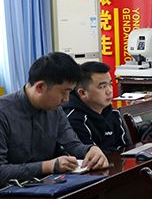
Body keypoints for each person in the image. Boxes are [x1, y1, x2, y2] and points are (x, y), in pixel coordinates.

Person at [0, 52, 108, 184]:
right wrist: (48, 166)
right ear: (40, 87)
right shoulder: (3, 113)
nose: (67, 99)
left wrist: (90, 150)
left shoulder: (55, 110)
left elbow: (72, 144)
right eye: (63, 92)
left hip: (50, 187)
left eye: (70, 92)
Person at [62, 62, 128, 152]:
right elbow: (90, 156)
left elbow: (126, 148)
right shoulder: (74, 119)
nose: (109, 91)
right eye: (102, 86)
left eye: (110, 84)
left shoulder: (113, 113)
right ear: (83, 93)